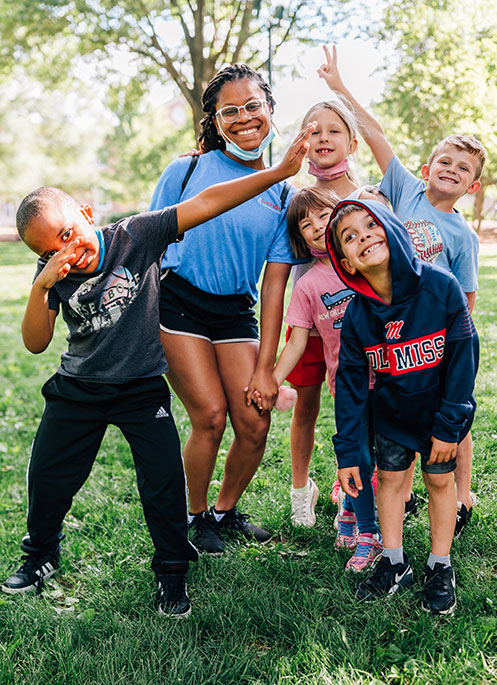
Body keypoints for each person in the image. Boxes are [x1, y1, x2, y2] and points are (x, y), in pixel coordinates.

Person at [0, 126, 314, 616]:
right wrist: (41, 286)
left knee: (165, 483)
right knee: (48, 477)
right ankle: (41, 553)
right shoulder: (54, 275)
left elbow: (208, 201)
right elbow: (36, 343)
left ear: (86, 213)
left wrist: (276, 173)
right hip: (78, 387)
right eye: (48, 251)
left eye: (66, 235)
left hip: (141, 389)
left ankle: (172, 571)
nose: (64, 252)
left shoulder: (134, 237)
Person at [318, 43, 486, 536]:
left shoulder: (463, 235)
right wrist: (339, 88)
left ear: (473, 186)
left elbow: (468, 302)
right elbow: (374, 133)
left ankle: (461, 492)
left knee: (454, 411)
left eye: (463, 169)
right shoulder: (405, 190)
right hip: (394, 328)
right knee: (396, 410)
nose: (451, 171)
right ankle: (402, 490)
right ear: (428, 164)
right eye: (445, 161)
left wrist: (460, 341)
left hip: (438, 327)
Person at [150, 64, 307, 555]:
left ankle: (224, 509)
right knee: (211, 416)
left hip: (236, 312)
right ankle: (196, 517)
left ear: (270, 111)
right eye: (229, 111)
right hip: (179, 305)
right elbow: (148, 242)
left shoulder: (283, 194)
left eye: (252, 106)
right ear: (215, 121)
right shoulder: (187, 170)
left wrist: (267, 369)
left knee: (255, 421)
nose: (243, 117)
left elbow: (275, 286)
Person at [326, 198, 479, 614]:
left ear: (392, 230)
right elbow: (351, 386)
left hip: (438, 418)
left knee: (438, 484)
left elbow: (465, 359)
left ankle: (439, 563)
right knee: (391, 484)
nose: (364, 237)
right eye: (350, 237)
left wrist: (450, 426)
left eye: (371, 226)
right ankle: (394, 562)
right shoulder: (358, 314)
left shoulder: (441, 286)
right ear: (348, 263)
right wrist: (348, 452)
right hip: (391, 417)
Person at [282, 99, 383, 542]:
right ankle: (302, 489)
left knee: (372, 410)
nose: (322, 137)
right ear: (302, 143)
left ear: (351, 141)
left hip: (361, 322)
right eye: (312, 130)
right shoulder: (294, 198)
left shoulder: (368, 199)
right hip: (311, 315)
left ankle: (362, 493)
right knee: (308, 404)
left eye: (332, 130)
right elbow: (278, 271)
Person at [270, 186, 382, 571]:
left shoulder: (367, 261)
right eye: (306, 224)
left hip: (389, 375)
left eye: (324, 215)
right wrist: (274, 379)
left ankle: (350, 509)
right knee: (358, 456)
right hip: (348, 385)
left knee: (378, 453)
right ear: (299, 238)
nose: (317, 226)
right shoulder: (307, 286)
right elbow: (297, 342)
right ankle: (368, 532)